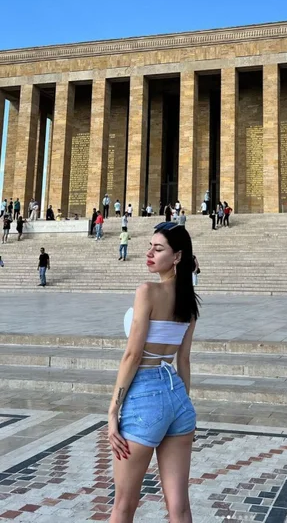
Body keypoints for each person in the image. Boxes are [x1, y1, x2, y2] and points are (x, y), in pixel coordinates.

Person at [107, 222, 199, 523]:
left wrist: (113, 411)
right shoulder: (189, 302)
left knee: (123, 505)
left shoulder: (147, 291)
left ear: (177, 257)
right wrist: (181, 405)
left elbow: (133, 355)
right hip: (177, 399)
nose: (149, 253)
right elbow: (182, 361)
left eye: (158, 249)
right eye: (149, 246)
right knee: (179, 507)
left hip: (145, 396)